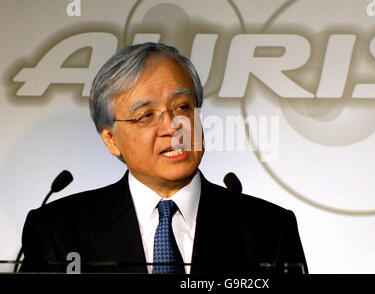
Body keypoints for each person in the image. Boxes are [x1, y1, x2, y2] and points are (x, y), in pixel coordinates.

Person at [19, 42, 308, 274]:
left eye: (182, 107)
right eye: (145, 115)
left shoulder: (270, 228)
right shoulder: (57, 231)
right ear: (111, 139)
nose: (173, 127)